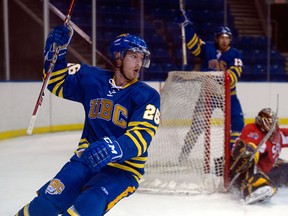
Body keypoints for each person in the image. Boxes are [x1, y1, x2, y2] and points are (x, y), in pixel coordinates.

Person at [16, 25, 160, 215]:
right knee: (45, 204)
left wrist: (113, 148)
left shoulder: (147, 95)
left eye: (141, 58)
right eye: (134, 56)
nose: (139, 63)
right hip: (86, 159)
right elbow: (56, 83)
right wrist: (57, 52)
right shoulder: (92, 78)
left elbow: (142, 136)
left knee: (87, 205)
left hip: (123, 169)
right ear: (118, 56)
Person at [175, 10, 244, 162]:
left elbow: (234, 76)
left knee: (238, 122)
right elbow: (193, 43)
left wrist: (210, 73)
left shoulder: (236, 54)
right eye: (221, 37)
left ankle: (231, 155)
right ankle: (183, 155)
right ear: (217, 38)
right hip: (208, 95)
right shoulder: (208, 48)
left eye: (227, 38)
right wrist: (186, 26)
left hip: (228, 96)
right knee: (197, 125)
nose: (224, 41)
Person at [230, 108, 288, 204]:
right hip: (239, 172)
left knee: (285, 167)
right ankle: (249, 188)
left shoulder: (279, 135)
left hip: (264, 171)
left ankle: (260, 183)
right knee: (249, 152)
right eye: (270, 124)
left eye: (275, 124)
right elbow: (250, 143)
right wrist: (251, 148)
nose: (274, 127)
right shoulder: (252, 129)